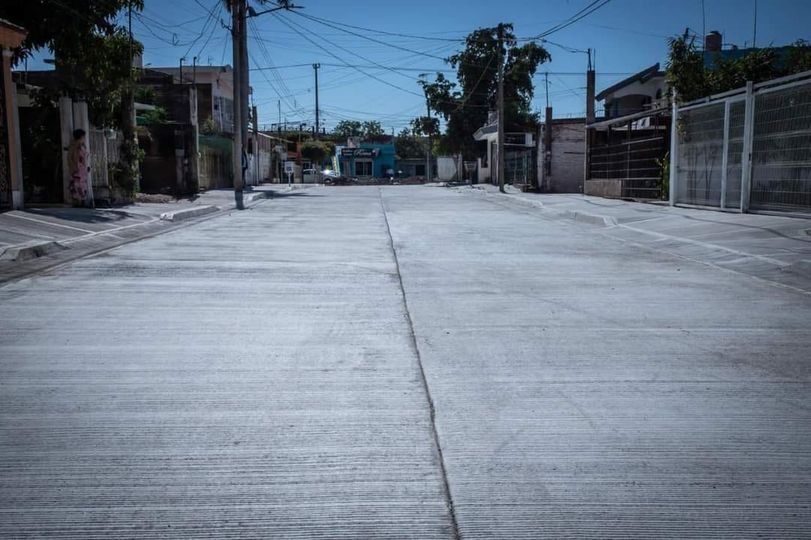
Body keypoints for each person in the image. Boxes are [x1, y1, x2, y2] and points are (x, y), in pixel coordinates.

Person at [67, 129, 89, 206]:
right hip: (77, 167)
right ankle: (78, 201)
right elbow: (71, 157)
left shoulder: (82, 145)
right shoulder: (75, 145)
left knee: (82, 184)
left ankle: (81, 200)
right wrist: (73, 166)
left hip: (83, 168)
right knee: (77, 184)